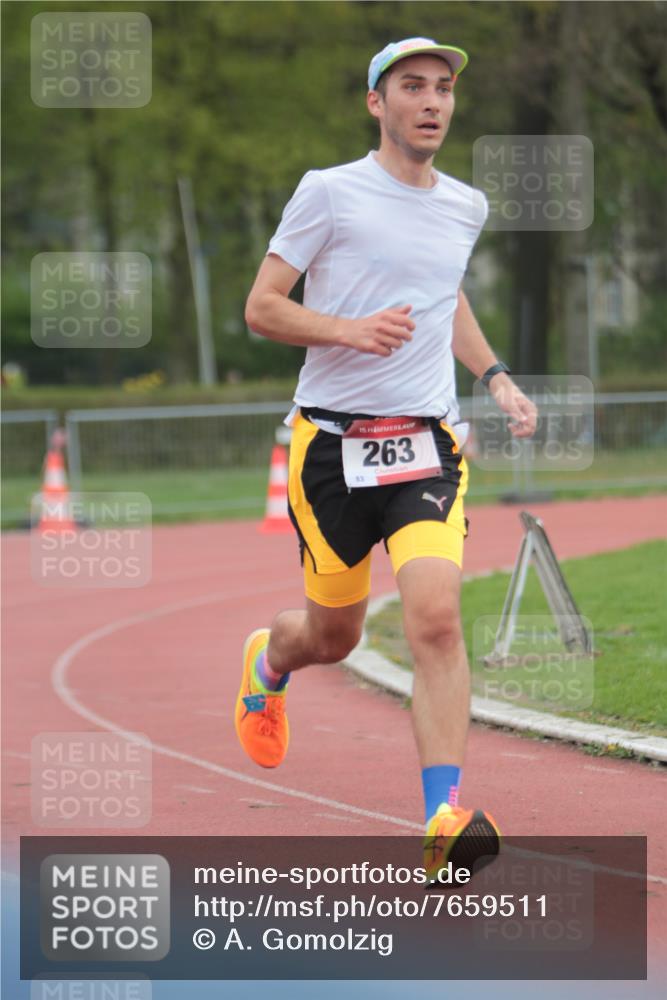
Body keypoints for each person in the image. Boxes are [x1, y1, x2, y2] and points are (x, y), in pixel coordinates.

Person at [236, 37, 537, 875]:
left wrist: (495, 374)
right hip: (329, 449)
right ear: (378, 102)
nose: (432, 101)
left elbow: (444, 300)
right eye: (413, 87)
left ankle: (442, 814)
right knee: (331, 636)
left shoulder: (464, 206)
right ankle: (268, 661)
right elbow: (262, 307)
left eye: (443, 88)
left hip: (425, 446)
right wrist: (345, 329)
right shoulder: (328, 193)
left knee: (435, 618)